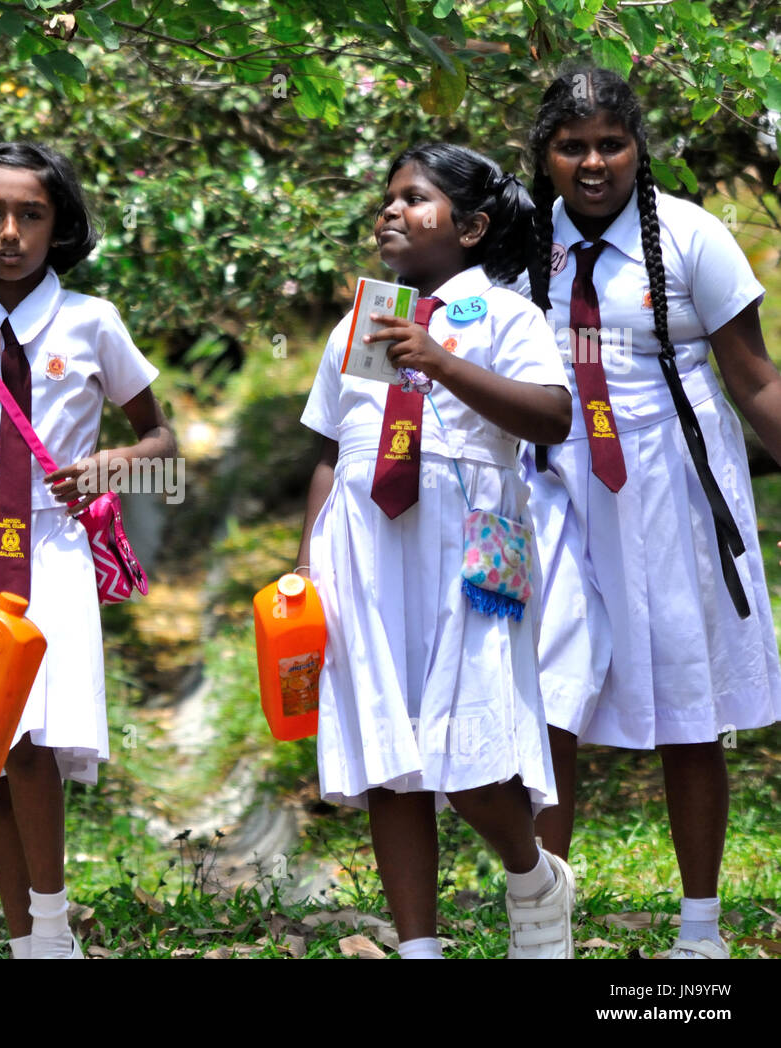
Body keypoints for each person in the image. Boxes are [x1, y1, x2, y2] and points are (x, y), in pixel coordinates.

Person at [523, 67, 781, 959]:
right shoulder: (521, 241)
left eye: (611, 144)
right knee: (549, 691)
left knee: (688, 697)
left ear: (638, 146)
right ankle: (543, 926)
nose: (593, 163)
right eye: (572, 146)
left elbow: (755, 381)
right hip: (558, 486)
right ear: (546, 154)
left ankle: (700, 932)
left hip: (672, 483)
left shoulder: (693, 237)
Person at [295, 144, 576, 958]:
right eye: (388, 198)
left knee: (473, 752)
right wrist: (309, 567)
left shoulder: (503, 315)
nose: (391, 211)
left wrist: (443, 362)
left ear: (473, 226)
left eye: (415, 199)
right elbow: (329, 449)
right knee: (388, 752)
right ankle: (419, 947)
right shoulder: (363, 318)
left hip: (469, 549)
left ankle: (533, 878)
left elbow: (553, 418)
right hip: (367, 550)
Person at [0, 141, 176, 959]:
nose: (10, 232)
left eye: (30, 215)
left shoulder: (91, 322)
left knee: (35, 741)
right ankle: (23, 936)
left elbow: (162, 435)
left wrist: (114, 461)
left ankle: (50, 923)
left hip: (51, 547)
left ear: (59, 225)